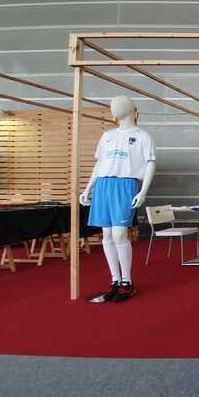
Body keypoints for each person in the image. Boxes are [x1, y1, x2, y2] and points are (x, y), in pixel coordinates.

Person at [81, 96, 156, 303]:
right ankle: (115, 280)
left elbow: (150, 162)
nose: (116, 107)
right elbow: (99, 163)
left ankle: (127, 282)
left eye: (121, 105)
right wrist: (88, 188)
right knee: (106, 235)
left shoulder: (142, 136)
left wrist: (143, 191)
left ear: (134, 111)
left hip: (125, 184)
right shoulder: (108, 135)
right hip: (103, 184)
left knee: (119, 234)